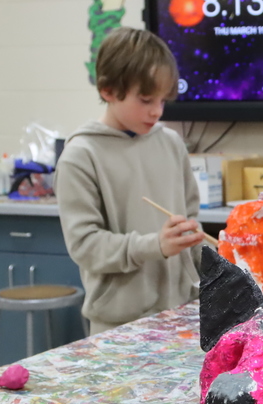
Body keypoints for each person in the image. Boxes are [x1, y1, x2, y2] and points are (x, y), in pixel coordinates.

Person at [56, 27, 205, 335]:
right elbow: (84, 245)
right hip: (119, 326)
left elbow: (191, 221)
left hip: (182, 314)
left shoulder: (172, 144)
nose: (156, 111)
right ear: (108, 90)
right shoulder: (81, 155)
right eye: (146, 99)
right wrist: (154, 245)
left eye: (163, 100)